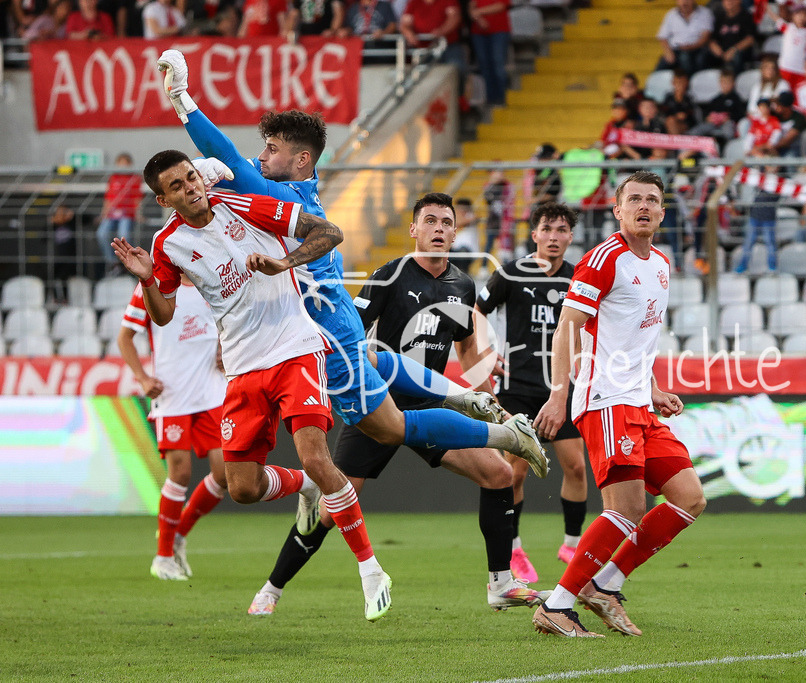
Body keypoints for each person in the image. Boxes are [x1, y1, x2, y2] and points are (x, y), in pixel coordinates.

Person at [155, 50, 549, 476]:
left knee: (390, 428)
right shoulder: (287, 182)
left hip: (323, 330)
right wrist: (200, 168)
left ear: (301, 159)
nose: (261, 157)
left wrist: (182, 99)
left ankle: (508, 436)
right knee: (374, 357)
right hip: (323, 321)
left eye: (271, 149)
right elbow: (230, 165)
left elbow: (229, 158)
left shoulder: (285, 198)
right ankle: (459, 395)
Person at [113, 150, 393, 621]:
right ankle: (306, 487)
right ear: (163, 199)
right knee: (240, 487)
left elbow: (329, 233)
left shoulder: (242, 204)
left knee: (315, 454)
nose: (191, 187)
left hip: (295, 347)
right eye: (177, 186)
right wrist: (146, 282)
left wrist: (285, 262)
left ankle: (371, 571)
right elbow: (162, 315)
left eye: (191, 177)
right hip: (242, 369)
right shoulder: (167, 245)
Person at [248, 193, 549, 616]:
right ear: (414, 229)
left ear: (456, 231)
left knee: (498, 474)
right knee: (337, 504)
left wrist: (486, 397)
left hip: (429, 408)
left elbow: (465, 348)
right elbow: (350, 334)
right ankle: (271, 589)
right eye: (430, 221)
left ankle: (501, 584)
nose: (439, 229)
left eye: (447, 222)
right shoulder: (389, 276)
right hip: (378, 405)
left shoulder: (463, 286)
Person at [530, 171, 705, 638]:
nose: (643, 206)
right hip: (604, 400)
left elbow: (636, 339)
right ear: (618, 209)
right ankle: (558, 603)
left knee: (689, 497)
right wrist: (558, 393)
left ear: (662, 213)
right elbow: (568, 325)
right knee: (625, 508)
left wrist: (652, 388)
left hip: (638, 402)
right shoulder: (604, 258)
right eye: (634, 199)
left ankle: (606, 584)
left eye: (652, 200)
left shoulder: (662, 265)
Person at [475, 203, 588, 584]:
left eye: (561, 230)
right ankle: (516, 547)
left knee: (575, 466)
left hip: (560, 387)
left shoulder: (579, 278)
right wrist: (485, 352)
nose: (554, 237)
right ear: (535, 234)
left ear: (570, 237)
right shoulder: (511, 273)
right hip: (518, 389)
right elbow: (476, 311)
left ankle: (572, 544)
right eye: (547, 229)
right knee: (515, 472)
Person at [118, 272, 228, 581]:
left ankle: (179, 534)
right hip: (173, 395)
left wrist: (223, 347)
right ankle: (163, 557)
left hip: (212, 392)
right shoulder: (152, 288)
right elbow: (125, 337)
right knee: (179, 473)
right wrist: (142, 377)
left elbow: (229, 324)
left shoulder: (213, 282)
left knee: (225, 473)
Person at [96, 153, 143, 276]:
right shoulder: (113, 178)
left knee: (124, 235)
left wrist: (138, 213)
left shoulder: (134, 178)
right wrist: (103, 214)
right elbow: (108, 198)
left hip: (127, 213)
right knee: (102, 233)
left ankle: (126, 261)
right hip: (112, 214)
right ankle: (113, 262)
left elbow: (137, 198)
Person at [469, 0, 511, 106]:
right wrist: (479, 19)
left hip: (499, 30)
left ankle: (502, 97)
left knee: (498, 63)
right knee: (484, 65)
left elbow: (501, 5)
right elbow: (471, 7)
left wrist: (479, 12)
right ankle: (490, 98)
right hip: (479, 31)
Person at [655, 0, 713, 73]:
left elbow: (705, 37)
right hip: (675, 49)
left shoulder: (705, 13)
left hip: (697, 49)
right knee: (660, 67)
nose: (684, 3)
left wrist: (691, 47)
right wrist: (668, 52)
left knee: (685, 58)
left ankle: (687, 82)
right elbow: (662, 37)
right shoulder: (671, 14)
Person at [708, 0, 756, 75]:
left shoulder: (747, 16)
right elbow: (712, 39)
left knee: (737, 57)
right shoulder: (719, 17)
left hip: (739, 51)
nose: (729, 1)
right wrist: (714, 46)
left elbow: (750, 39)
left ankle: (735, 82)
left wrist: (733, 50)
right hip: (721, 52)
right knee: (704, 55)